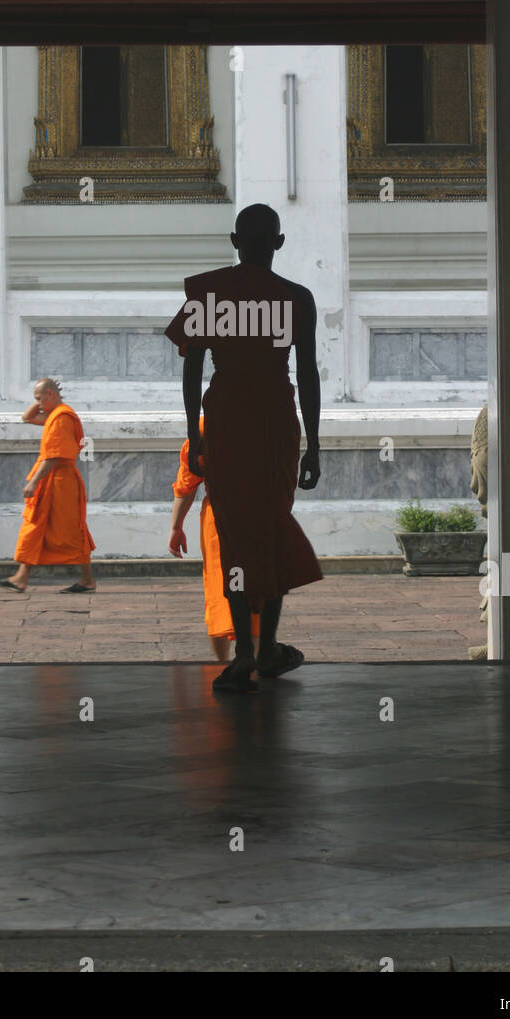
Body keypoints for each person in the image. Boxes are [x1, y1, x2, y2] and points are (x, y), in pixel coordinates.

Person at [165, 203, 322, 692]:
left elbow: (192, 370)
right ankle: (269, 646)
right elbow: (308, 373)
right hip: (276, 424)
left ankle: (247, 654)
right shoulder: (296, 299)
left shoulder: (211, 295)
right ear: (278, 243)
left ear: (235, 242)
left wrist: (195, 432)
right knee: (272, 527)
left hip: (228, 424)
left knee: (233, 535)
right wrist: (314, 443)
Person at [0, 378, 96, 595]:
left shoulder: (61, 418)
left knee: (71, 531)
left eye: (39, 398)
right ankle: (21, 577)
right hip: (53, 480)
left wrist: (33, 482)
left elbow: (54, 457)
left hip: (60, 482)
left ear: (50, 395)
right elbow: (26, 417)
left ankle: (87, 580)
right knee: (37, 525)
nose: (37, 403)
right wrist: (41, 400)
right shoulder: (54, 414)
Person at [168, 417, 260, 662]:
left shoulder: (204, 427)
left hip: (219, 518)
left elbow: (186, 487)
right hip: (255, 514)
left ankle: (223, 664)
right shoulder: (261, 421)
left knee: (221, 591)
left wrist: (176, 527)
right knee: (252, 593)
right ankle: (252, 661)